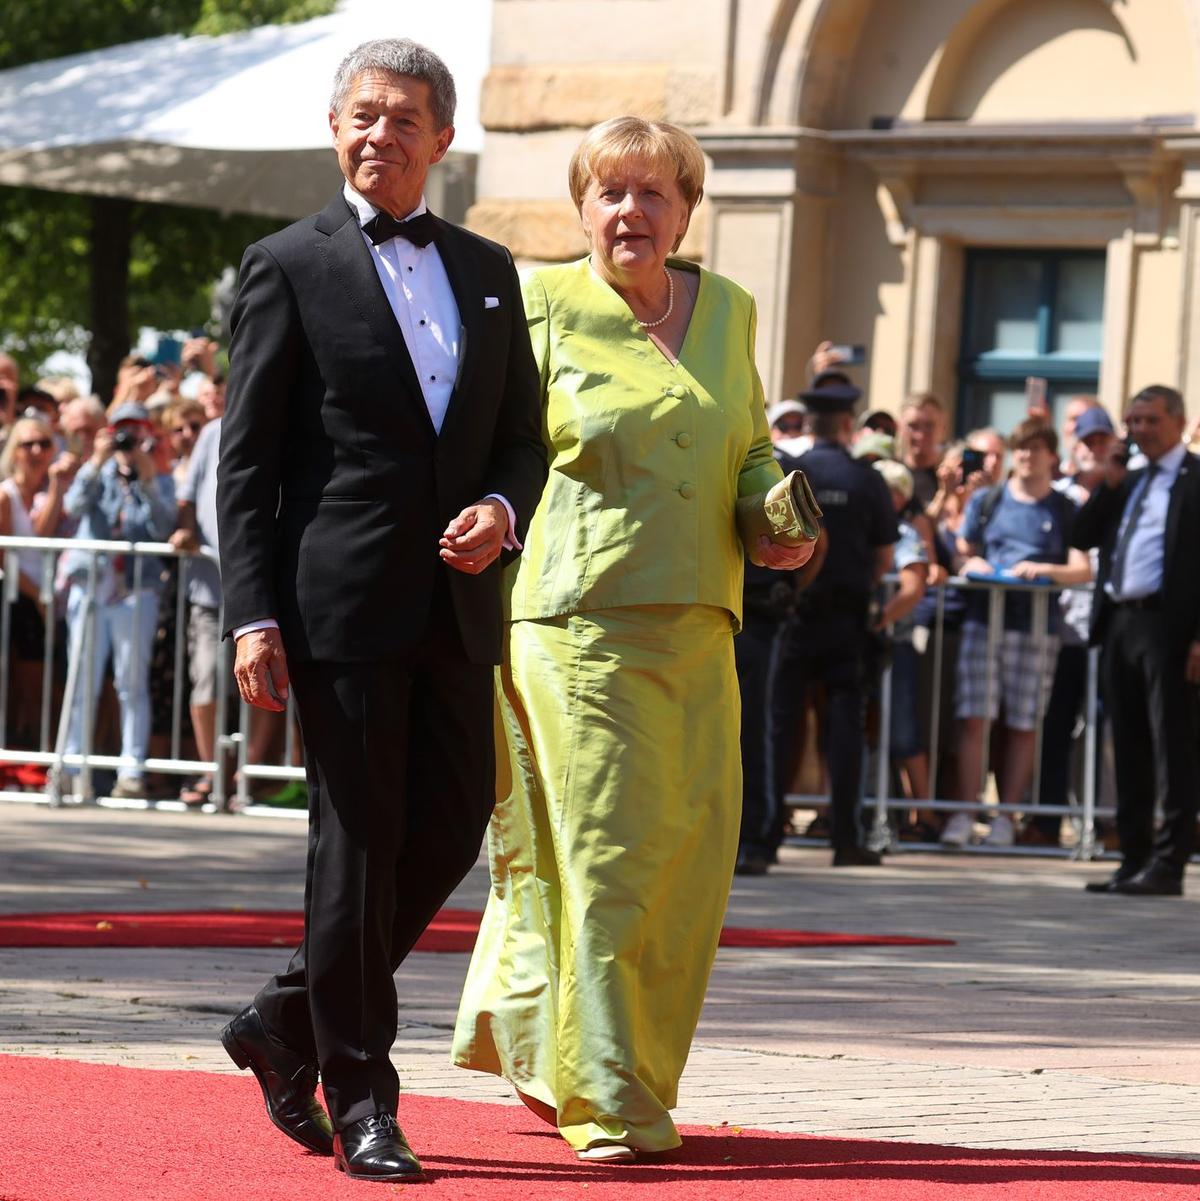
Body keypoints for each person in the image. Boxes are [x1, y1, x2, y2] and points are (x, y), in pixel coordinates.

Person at [215, 38, 547, 1184]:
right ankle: (363, 1097)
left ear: (442, 139)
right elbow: (246, 465)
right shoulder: (284, 264)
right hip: (337, 607)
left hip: (458, 606)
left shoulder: (491, 268)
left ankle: (281, 1018)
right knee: (353, 854)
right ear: (336, 126)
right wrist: (250, 615)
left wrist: (504, 507)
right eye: (363, 115)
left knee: (451, 828)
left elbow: (523, 438)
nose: (380, 136)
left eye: (404, 119)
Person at [451, 115, 813, 1162]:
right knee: (608, 860)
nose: (632, 212)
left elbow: (745, 443)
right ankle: (608, 1095)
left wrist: (778, 516)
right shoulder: (542, 300)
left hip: (703, 622)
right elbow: (495, 443)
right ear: (582, 208)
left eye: (654, 193)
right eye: (611, 192)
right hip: (577, 624)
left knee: (689, 866)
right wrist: (486, 516)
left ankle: (565, 1047)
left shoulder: (731, 308)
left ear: (686, 210)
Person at [1074, 385, 1200, 896]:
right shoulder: (1129, 480)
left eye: (1151, 420)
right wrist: (1108, 481)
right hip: (1121, 622)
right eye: (1135, 421)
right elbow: (1080, 534)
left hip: (1169, 626)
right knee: (1125, 742)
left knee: (1173, 744)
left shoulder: (1194, 480)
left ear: (1177, 422)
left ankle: (1169, 864)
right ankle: (1134, 858)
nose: (1141, 430)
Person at [941, 418, 1089, 849]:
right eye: (1020, 448)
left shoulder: (1064, 508)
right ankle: (964, 813)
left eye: (1036, 448)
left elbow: (1083, 568)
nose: (1026, 456)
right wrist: (970, 567)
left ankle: (1006, 817)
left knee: (1024, 724)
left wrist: (1046, 570)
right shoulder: (989, 500)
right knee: (974, 720)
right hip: (983, 622)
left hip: (1037, 628)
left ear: (1051, 456)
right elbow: (961, 555)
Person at [769, 379, 899, 866]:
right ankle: (846, 839)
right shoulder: (867, 479)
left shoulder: (791, 473)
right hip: (846, 620)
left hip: (796, 614)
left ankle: (763, 838)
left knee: (780, 726)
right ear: (848, 423)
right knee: (844, 730)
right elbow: (885, 557)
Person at [60, 402, 176, 798]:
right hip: (91, 586)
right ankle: (73, 768)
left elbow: (164, 529)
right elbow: (72, 507)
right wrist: (95, 462)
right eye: (120, 430)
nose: (127, 439)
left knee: (131, 682)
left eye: (135, 430)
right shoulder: (96, 473)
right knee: (82, 681)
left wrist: (147, 481)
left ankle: (131, 770)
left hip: (135, 589)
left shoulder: (157, 475)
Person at [1027, 406, 1113, 846]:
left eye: (1102, 441)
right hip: (1061, 633)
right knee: (1056, 727)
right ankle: (1047, 821)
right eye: (1087, 441)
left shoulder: (1126, 489)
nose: (1094, 450)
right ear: (1074, 447)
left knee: (1106, 730)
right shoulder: (1057, 495)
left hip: (1108, 633)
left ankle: (1107, 823)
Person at [0, 415, 73, 746]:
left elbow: (46, 530)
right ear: (14, 451)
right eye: (27, 444)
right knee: (21, 684)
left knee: (43, 684)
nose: (36, 451)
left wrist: (57, 487)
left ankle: (32, 757)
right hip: (17, 598)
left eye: (44, 443)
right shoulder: (5, 495)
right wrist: (39, 597)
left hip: (45, 598)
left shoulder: (54, 490)